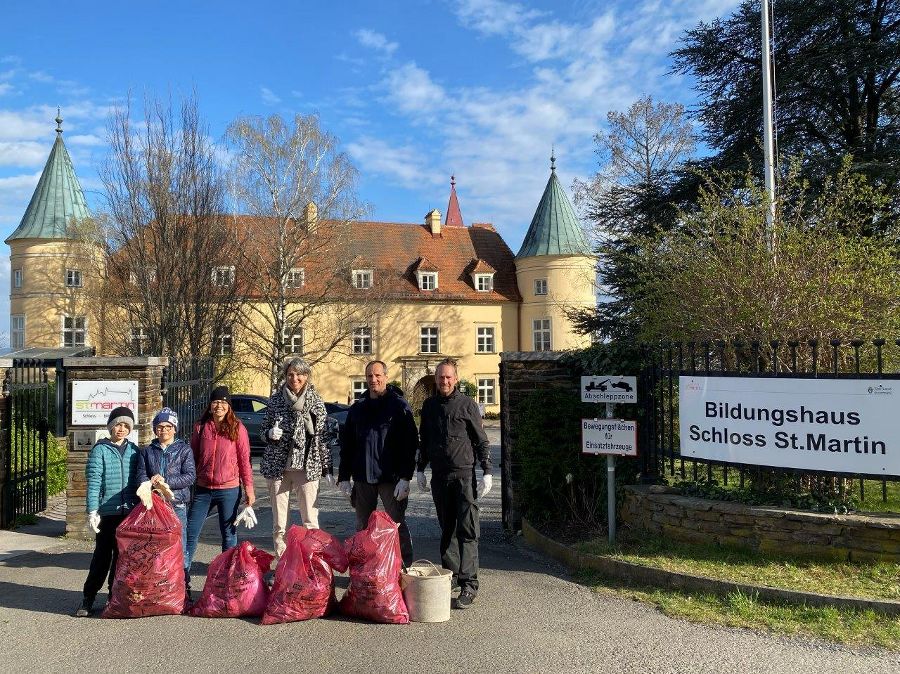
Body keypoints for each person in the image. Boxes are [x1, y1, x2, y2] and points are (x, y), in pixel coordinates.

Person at [416, 357, 492, 609]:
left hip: (464, 476)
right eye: (440, 377)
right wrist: (420, 469)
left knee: (467, 530)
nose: (444, 381)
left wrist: (487, 471)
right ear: (436, 379)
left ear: (455, 379)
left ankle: (469, 584)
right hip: (439, 477)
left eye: (448, 377)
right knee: (447, 529)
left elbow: (481, 440)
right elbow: (424, 440)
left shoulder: (467, 405)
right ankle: (452, 576)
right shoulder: (429, 406)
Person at [338, 360, 418, 567]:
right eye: (369, 376)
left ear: (386, 377)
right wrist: (344, 477)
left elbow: (410, 444)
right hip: (363, 477)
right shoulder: (358, 409)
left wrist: (405, 477)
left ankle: (403, 567)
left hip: (391, 478)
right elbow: (348, 445)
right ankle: (365, 570)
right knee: (363, 527)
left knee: (396, 524)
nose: (373, 380)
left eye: (377, 375)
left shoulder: (399, 407)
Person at [261, 357, 333, 560]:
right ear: (285, 376)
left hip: (307, 466)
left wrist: (327, 468)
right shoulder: (276, 400)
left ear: (307, 376)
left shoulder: (315, 400)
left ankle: (312, 563)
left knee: (310, 520)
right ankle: (284, 564)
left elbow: (322, 436)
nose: (295, 378)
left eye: (300, 374)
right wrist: (269, 434)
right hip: (278, 467)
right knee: (279, 523)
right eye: (291, 374)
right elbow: (263, 430)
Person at [186, 386, 256, 590]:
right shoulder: (201, 427)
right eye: (216, 402)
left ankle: (228, 578)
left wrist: (249, 489)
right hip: (203, 488)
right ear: (210, 404)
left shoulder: (238, 428)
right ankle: (182, 576)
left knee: (228, 534)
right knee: (191, 532)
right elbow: (193, 456)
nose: (219, 406)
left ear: (229, 406)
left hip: (229, 489)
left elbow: (245, 460)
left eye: (224, 402)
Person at [75, 406, 140, 617]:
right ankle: (88, 597)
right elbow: (94, 482)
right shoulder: (100, 450)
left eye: (125, 426)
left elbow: (140, 481)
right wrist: (92, 510)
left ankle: (113, 597)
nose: (121, 429)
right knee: (102, 557)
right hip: (107, 513)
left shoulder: (134, 451)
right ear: (110, 427)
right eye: (117, 425)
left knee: (121, 559)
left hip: (128, 514)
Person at [137, 407, 195, 594]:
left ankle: (183, 588)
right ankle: (159, 587)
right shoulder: (147, 451)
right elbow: (140, 474)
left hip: (177, 504)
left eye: (168, 426)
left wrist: (166, 481)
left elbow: (189, 476)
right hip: (154, 506)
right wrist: (148, 482)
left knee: (180, 546)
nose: (164, 430)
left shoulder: (184, 450)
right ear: (155, 429)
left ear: (175, 428)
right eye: (160, 426)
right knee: (156, 548)